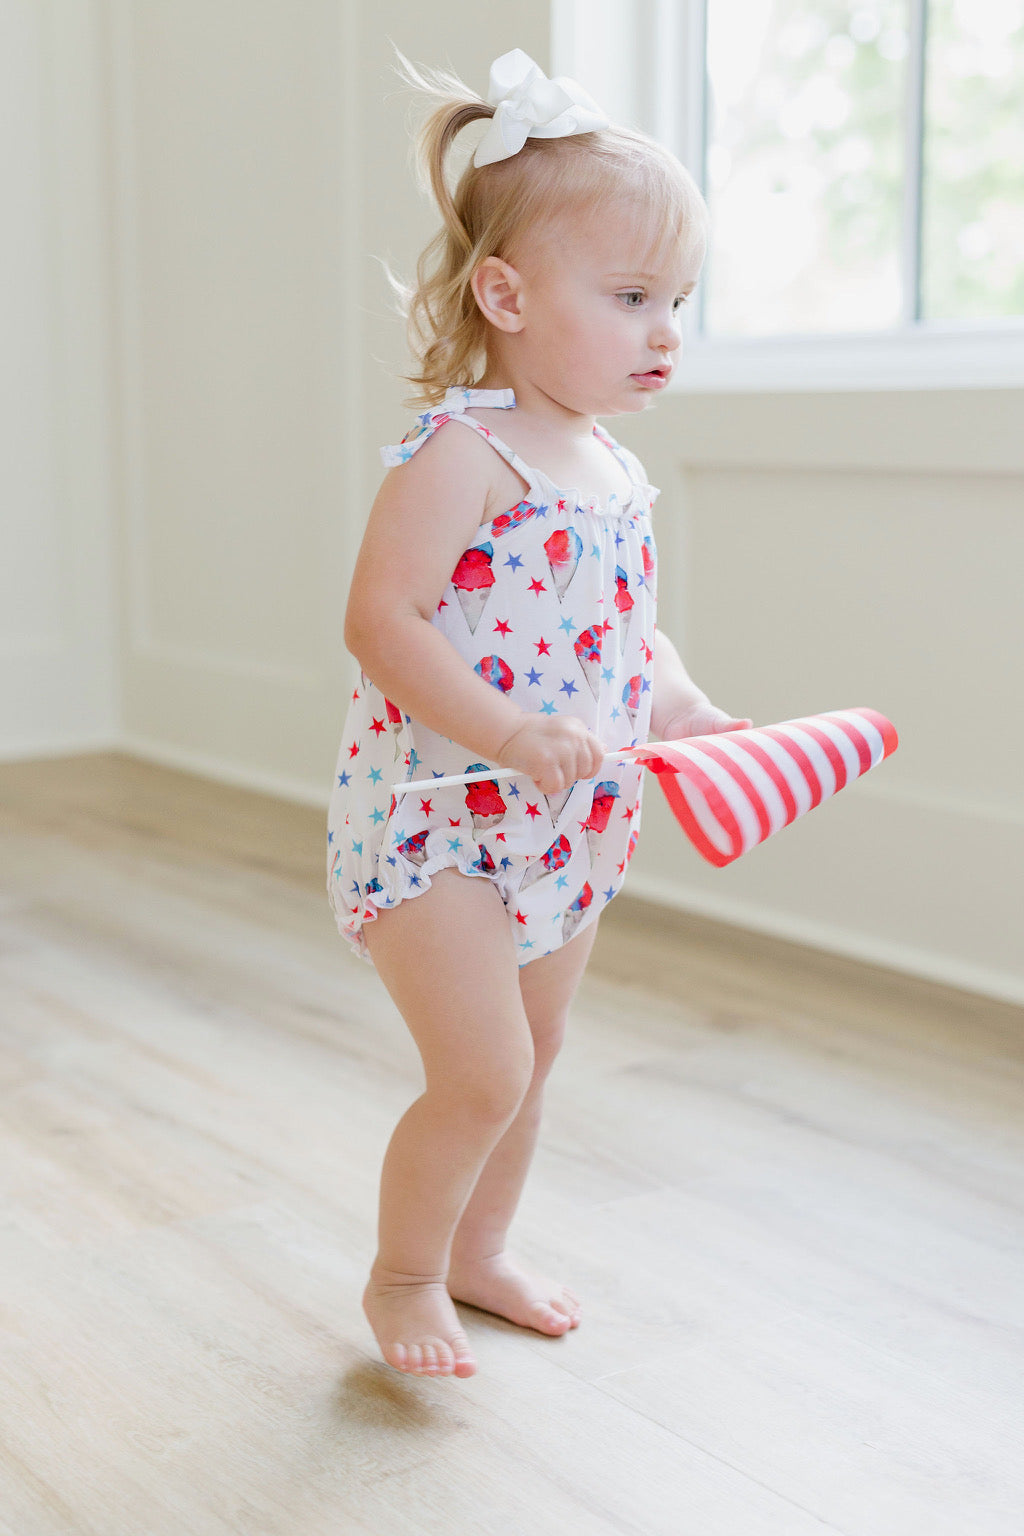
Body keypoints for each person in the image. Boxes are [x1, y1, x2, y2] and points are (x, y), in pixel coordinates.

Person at [326, 47, 751, 1380]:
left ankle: (479, 1251)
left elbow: (625, 635)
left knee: (539, 1048)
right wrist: (508, 734)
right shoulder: (465, 453)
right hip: (441, 819)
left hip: (565, 822)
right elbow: (380, 621)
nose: (665, 329)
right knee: (483, 1072)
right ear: (505, 294)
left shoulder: (613, 468)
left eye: (677, 299)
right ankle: (401, 1275)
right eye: (631, 297)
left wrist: (678, 705)